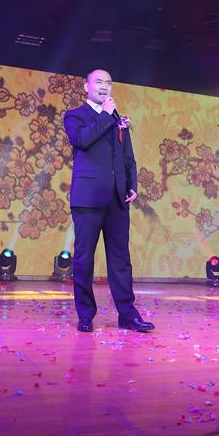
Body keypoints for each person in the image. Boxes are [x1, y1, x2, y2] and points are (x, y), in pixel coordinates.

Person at [62, 69, 154, 333]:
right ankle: (85, 315)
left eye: (109, 83)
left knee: (120, 260)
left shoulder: (117, 118)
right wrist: (105, 115)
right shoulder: (75, 115)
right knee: (84, 259)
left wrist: (132, 183)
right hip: (88, 198)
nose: (104, 87)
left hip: (117, 199)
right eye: (99, 82)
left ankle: (128, 315)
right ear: (86, 86)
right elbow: (82, 140)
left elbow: (127, 156)